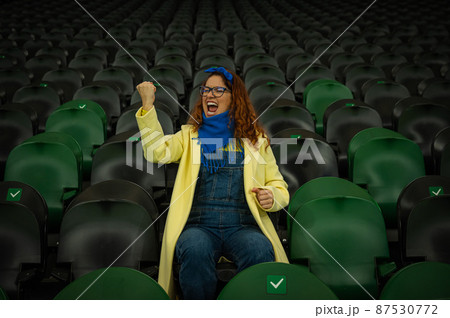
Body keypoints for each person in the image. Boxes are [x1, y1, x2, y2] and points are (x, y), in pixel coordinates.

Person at [135, 67, 289, 300]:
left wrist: (271, 196)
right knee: (194, 249)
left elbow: (278, 185)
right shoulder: (189, 135)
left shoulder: (255, 140)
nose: (209, 95)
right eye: (206, 90)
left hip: (243, 226)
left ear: (234, 97)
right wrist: (147, 106)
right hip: (200, 225)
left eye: (218, 90)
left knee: (260, 250)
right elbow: (156, 152)